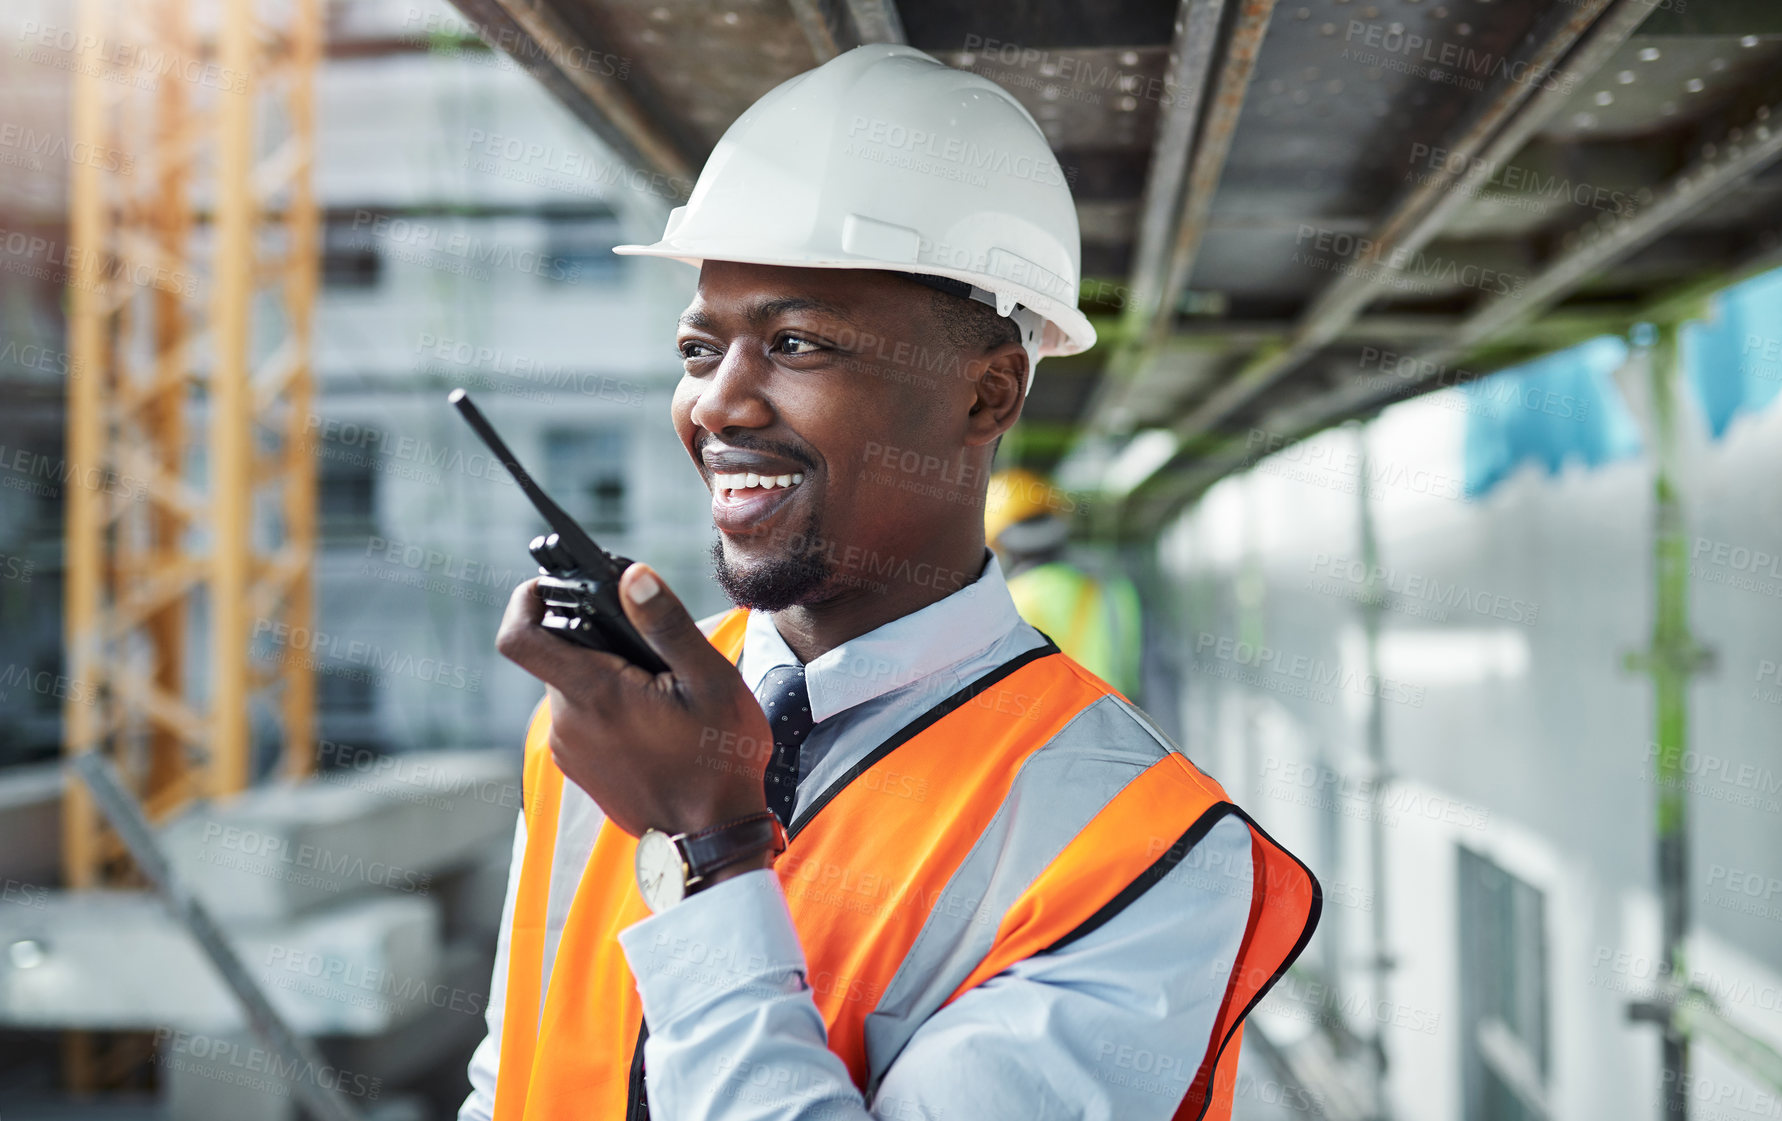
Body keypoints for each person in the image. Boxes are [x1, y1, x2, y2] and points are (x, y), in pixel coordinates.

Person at [461, 43, 1319, 1121]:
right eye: (698, 347)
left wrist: (711, 848)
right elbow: (512, 1079)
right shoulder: (602, 723)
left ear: (987, 394)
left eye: (798, 342)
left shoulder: (1139, 852)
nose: (718, 404)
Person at [986, 468, 1144, 699]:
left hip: (1052, 727)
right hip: (1116, 717)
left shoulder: (1006, 601)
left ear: (1001, 544)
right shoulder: (1114, 589)